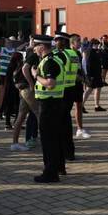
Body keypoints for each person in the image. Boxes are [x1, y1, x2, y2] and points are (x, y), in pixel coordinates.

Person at [32, 35, 66, 183]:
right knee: (56, 138)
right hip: (56, 103)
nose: (34, 49)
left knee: (48, 141)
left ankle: (50, 173)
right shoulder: (55, 59)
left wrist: (36, 76)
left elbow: (50, 83)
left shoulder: (49, 62)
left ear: (42, 47)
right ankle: (59, 167)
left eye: (35, 46)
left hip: (49, 105)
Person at [54, 32, 78, 161]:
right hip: (71, 89)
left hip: (62, 91)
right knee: (67, 123)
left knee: (61, 124)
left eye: (57, 40)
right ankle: (69, 152)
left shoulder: (61, 55)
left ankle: (64, 152)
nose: (55, 43)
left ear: (62, 41)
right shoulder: (74, 54)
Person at [69, 34, 91, 140]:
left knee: (79, 105)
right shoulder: (70, 53)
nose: (80, 43)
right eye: (78, 41)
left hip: (78, 84)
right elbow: (73, 71)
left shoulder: (77, 53)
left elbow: (80, 68)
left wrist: (85, 78)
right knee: (69, 107)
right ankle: (75, 128)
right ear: (72, 43)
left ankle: (80, 129)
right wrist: (82, 78)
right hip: (70, 84)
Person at [82, 39, 108, 112]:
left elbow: (103, 56)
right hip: (92, 75)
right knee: (89, 90)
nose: (97, 46)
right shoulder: (89, 52)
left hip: (97, 73)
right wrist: (89, 75)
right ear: (93, 44)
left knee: (98, 88)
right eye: (96, 44)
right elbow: (87, 64)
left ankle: (97, 105)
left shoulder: (96, 51)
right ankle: (82, 105)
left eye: (98, 44)